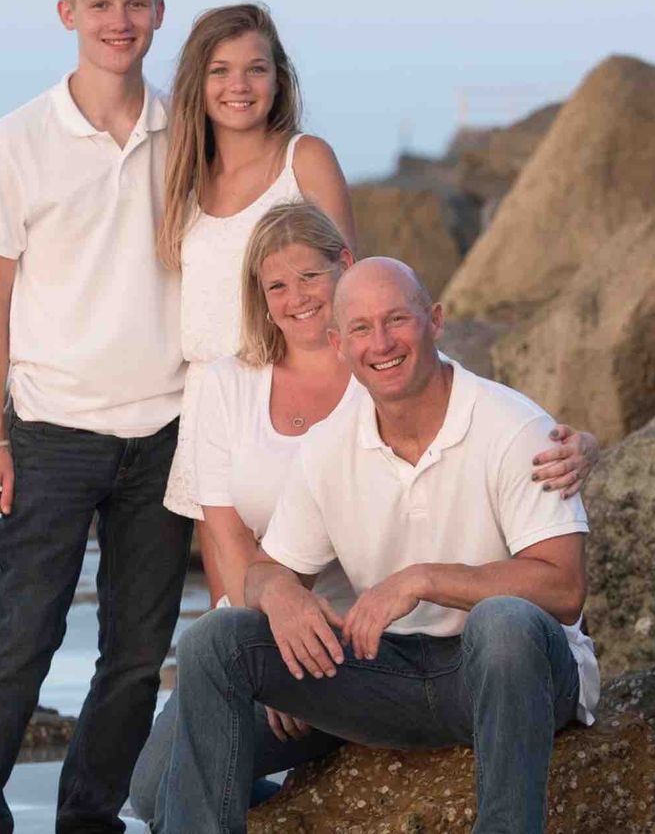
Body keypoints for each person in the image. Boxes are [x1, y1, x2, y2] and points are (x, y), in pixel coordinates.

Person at [133, 205, 599, 830]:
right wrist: (282, 603)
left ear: (435, 321)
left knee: (505, 622)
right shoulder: (326, 445)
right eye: (361, 329)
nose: (381, 343)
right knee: (215, 641)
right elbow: (265, 568)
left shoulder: (515, 428)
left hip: (503, 670)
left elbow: (565, 590)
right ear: (340, 342)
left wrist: (423, 579)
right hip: (382, 670)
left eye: (396, 320)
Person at [0, 0, 192, 832]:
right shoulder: (15, 141)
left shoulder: (190, 133)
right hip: (50, 431)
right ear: (67, 15)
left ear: (159, 14)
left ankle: (90, 820)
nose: (120, 20)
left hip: (169, 432)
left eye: (136, 2)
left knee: (136, 657)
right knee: (19, 643)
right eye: (100, 3)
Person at [155, 4, 356, 607]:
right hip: (212, 402)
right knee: (234, 611)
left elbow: (349, 284)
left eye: (255, 69)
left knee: (327, 590)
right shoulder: (185, 179)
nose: (238, 85)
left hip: (298, 387)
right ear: (198, 82)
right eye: (220, 70)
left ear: (278, 78)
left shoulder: (305, 159)